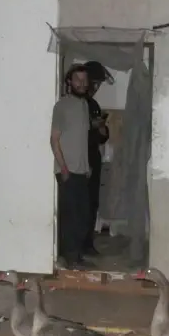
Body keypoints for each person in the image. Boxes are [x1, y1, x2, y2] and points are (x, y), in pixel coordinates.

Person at [51, 64, 93, 269]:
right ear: (69, 82)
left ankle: (76, 255)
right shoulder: (62, 106)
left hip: (82, 170)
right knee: (71, 217)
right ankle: (70, 258)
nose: (82, 84)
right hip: (67, 171)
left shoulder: (85, 105)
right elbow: (54, 140)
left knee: (83, 216)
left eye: (84, 80)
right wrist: (64, 168)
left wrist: (87, 165)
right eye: (77, 80)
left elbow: (82, 139)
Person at [82, 60, 112, 256]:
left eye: (98, 84)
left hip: (92, 156)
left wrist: (101, 128)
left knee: (92, 202)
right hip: (79, 159)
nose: (96, 88)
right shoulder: (76, 103)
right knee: (80, 204)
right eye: (94, 83)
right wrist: (91, 126)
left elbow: (101, 137)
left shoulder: (93, 104)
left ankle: (87, 244)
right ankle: (77, 246)